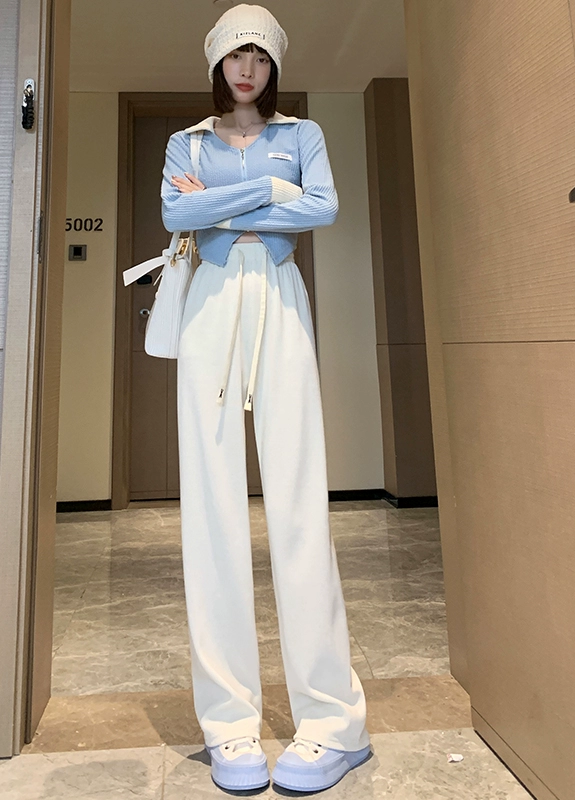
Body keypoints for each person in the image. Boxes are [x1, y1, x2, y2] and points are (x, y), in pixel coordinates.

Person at [160, 3, 371, 792]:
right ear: (217, 62)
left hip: (280, 297)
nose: (246, 69)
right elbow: (175, 212)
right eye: (234, 55)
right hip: (210, 304)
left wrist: (222, 203)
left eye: (259, 56)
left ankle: (334, 724)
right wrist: (272, 195)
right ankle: (229, 726)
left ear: (273, 65)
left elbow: (326, 206)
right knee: (210, 508)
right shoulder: (186, 143)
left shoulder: (301, 134)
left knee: (299, 499)